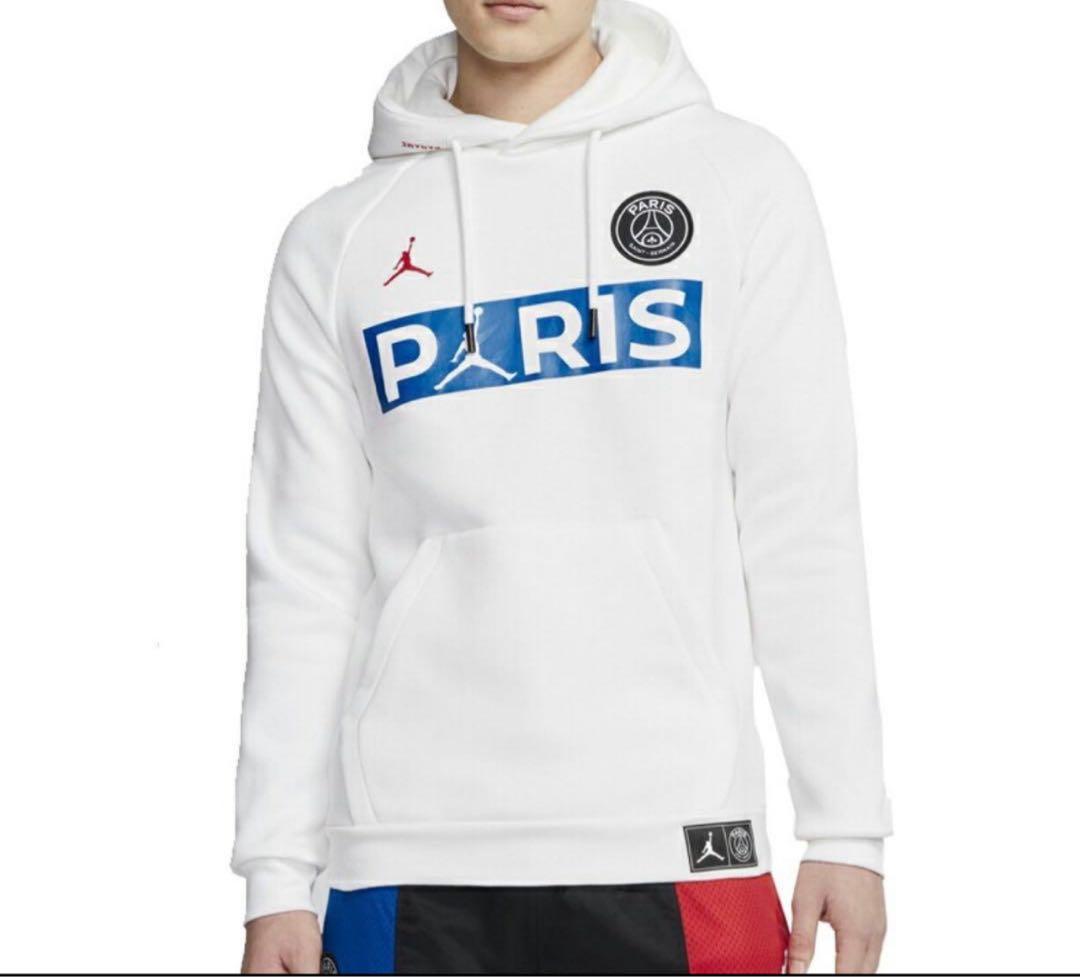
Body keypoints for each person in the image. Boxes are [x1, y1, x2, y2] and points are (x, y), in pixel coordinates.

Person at [234, 0, 891, 972]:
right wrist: (276, 874)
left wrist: (845, 824)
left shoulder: (737, 183)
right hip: (407, 854)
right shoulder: (337, 242)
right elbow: (304, 570)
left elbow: (800, 520)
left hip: (679, 840)